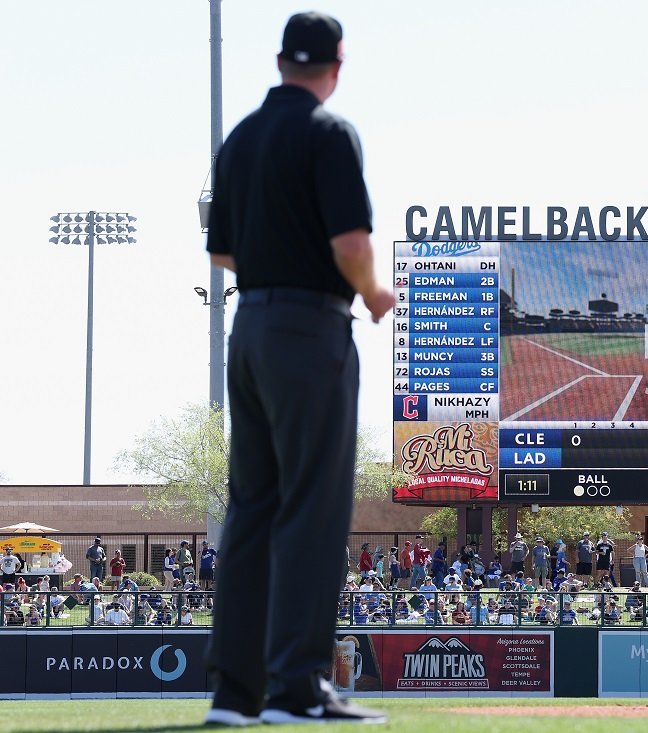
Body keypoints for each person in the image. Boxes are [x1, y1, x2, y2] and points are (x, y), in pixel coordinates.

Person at [203, 12, 393, 727]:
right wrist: (373, 293)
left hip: (248, 327)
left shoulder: (241, 137)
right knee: (313, 507)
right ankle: (297, 688)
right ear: (336, 67)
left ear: (282, 60)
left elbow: (221, 252)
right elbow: (351, 243)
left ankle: (234, 694)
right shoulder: (329, 132)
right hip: (310, 328)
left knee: (252, 507)